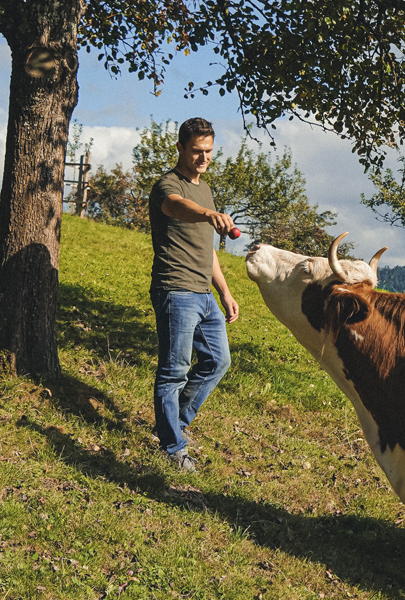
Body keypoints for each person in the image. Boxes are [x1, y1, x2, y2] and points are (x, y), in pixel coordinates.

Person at [149, 117, 240, 472]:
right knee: (174, 372)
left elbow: (208, 250)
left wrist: (225, 292)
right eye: (197, 152)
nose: (204, 159)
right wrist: (207, 213)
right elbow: (175, 207)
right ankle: (173, 448)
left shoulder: (206, 189)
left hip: (204, 293)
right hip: (175, 290)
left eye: (209, 152)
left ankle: (172, 426)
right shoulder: (167, 185)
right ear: (180, 149)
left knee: (218, 361)